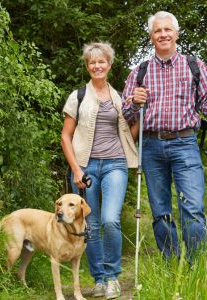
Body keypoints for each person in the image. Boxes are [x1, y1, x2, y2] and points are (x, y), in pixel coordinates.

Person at [122, 11, 207, 262]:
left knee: (192, 209)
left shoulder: (194, 66)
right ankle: (171, 265)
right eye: (157, 31)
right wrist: (135, 103)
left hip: (185, 143)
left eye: (167, 30)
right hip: (150, 145)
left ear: (176, 34)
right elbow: (125, 113)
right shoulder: (140, 71)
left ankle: (194, 267)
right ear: (151, 37)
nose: (163, 34)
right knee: (160, 212)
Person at [61, 42, 138, 299]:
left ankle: (113, 277)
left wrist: (140, 117)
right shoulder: (78, 96)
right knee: (90, 225)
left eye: (101, 61)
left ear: (109, 64)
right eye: (92, 62)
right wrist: (75, 170)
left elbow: (129, 134)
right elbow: (65, 136)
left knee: (109, 220)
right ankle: (99, 279)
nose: (97, 66)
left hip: (116, 163)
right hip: (86, 166)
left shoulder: (120, 98)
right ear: (87, 66)